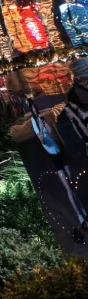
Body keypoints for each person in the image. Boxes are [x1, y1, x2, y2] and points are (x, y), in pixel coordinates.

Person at [30, 98, 88, 238]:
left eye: (36, 109)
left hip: (59, 152)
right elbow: (42, 140)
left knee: (73, 185)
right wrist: (42, 127)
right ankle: (80, 217)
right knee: (68, 188)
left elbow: (53, 136)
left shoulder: (42, 119)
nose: (37, 111)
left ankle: (84, 213)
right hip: (55, 158)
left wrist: (48, 126)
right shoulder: (35, 123)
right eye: (34, 109)